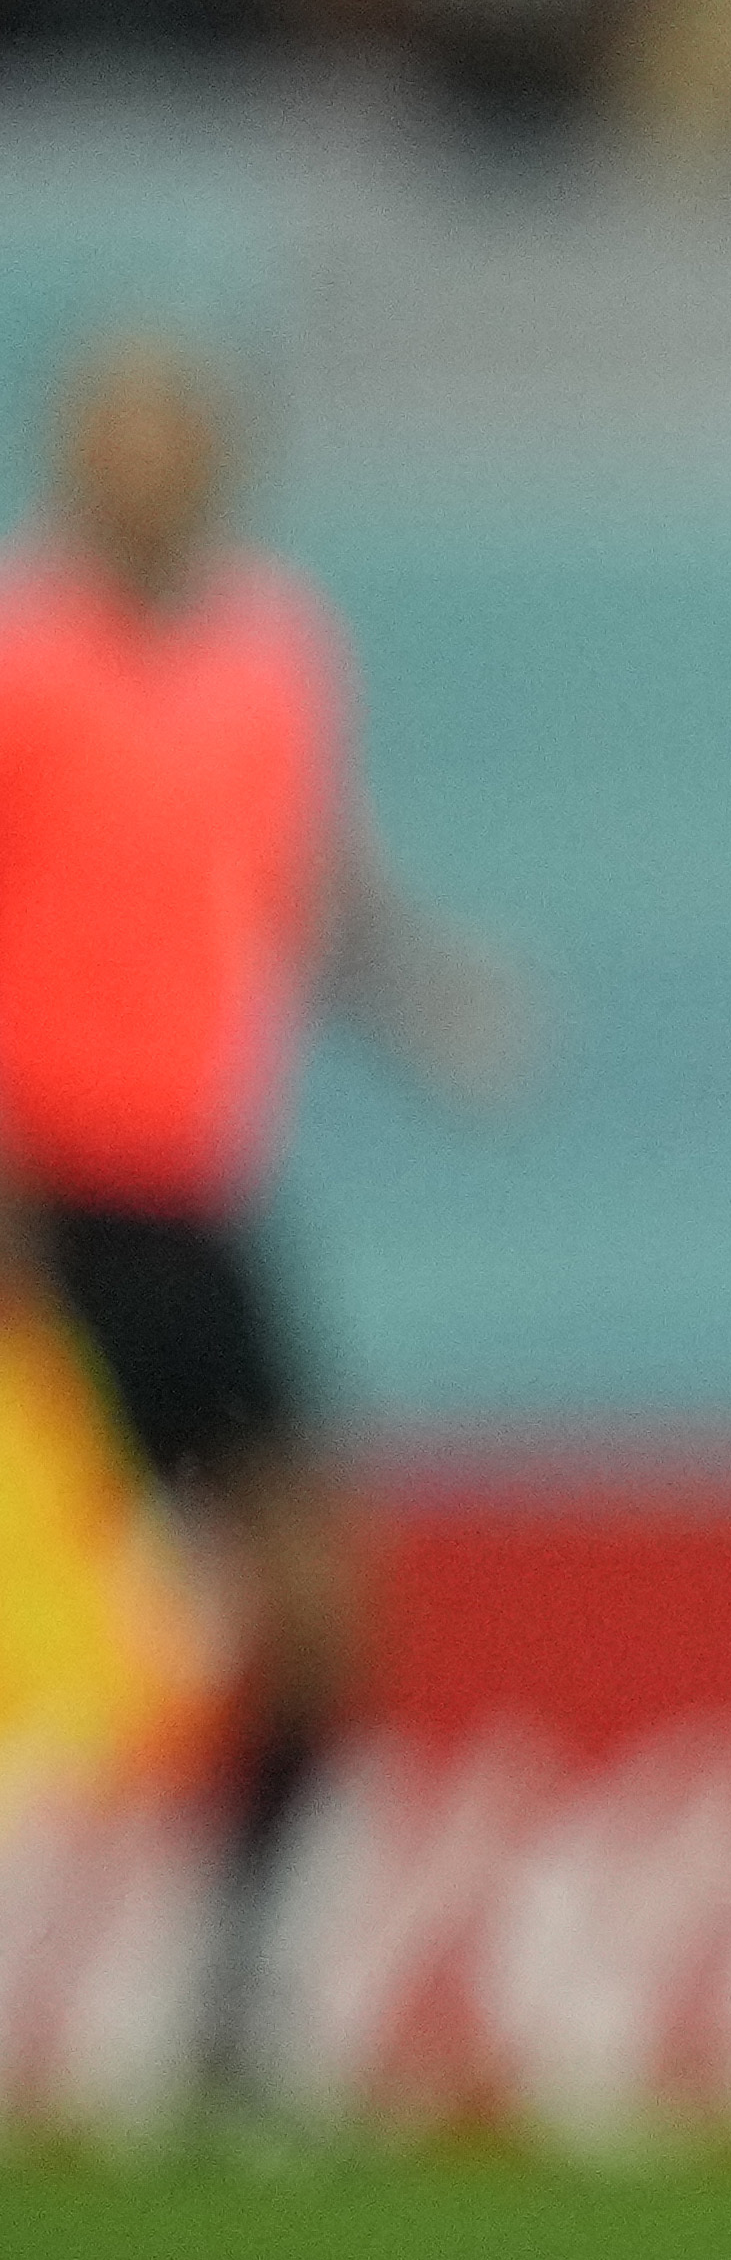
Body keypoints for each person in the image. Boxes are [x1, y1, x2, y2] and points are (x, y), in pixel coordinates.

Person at [0, 332, 515, 2117]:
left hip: (195, 1198)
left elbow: (297, 883)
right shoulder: (20, 661)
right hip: (37, 1204)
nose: (135, 468)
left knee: (316, 1611)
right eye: (107, 437)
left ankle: (232, 1998)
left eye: (166, 439)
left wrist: (424, 991)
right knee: (44, 1631)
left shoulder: (276, 657)